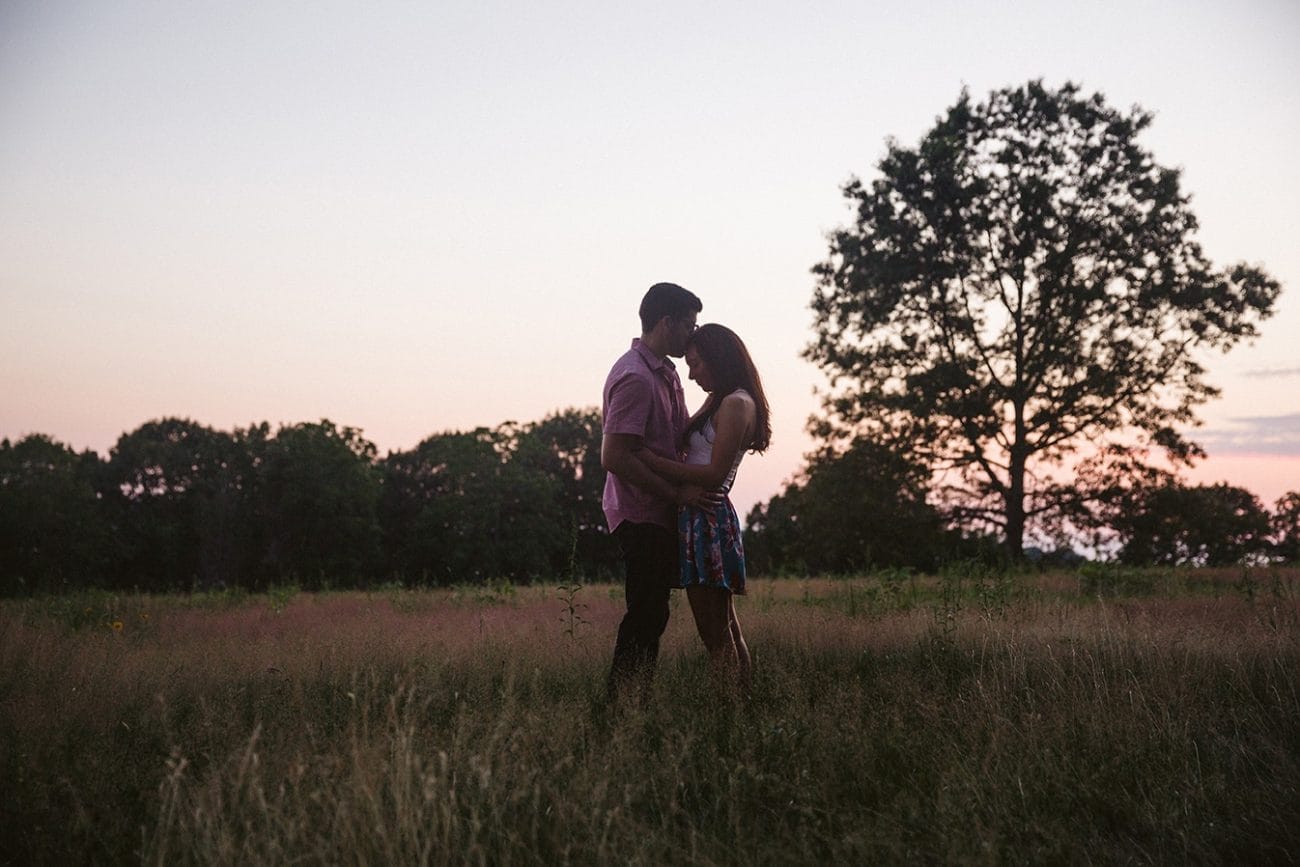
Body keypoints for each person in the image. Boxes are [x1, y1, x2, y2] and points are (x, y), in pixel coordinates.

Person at [632, 324, 771, 692]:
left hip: (707, 519)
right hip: (697, 518)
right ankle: (741, 708)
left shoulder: (737, 403)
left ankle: (728, 716)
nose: (691, 374)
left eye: (696, 364)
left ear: (717, 359)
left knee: (715, 634)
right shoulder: (720, 400)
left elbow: (713, 473)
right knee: (725, 627)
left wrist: (647, 458)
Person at [600, 282, 705, 700]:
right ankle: (621, 704)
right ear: (667, 323)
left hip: (657, 510)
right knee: (645, 612)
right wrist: (674, 493)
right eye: (689, 326)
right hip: (640, 511)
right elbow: (615, 456)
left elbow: (675, 435)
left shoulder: (666, 371)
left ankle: (631, 700)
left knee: (653, 612)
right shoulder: (636, 377)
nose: (692, 335)